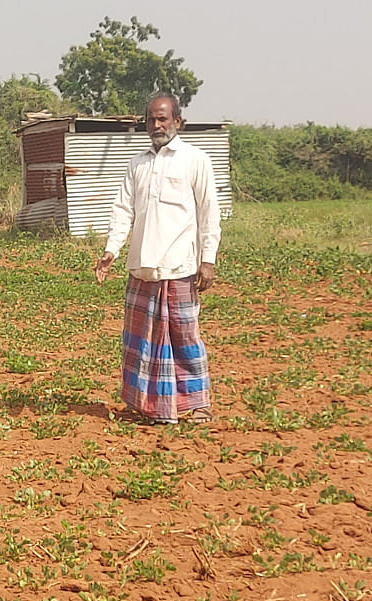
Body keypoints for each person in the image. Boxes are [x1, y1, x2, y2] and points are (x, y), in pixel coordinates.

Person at [95, 92, 221, 425]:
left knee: (184, 336)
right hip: (142, 267)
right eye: (151, 119)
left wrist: (208, 260)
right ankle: (148, 405)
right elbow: (123, 211)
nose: (156, 125)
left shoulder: (196, 160)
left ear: (178, 121)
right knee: (143, 340)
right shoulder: (137, 164)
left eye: (163, 118)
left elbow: (210, 212)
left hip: (180, 266)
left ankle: (198, 404)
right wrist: (111, 250)